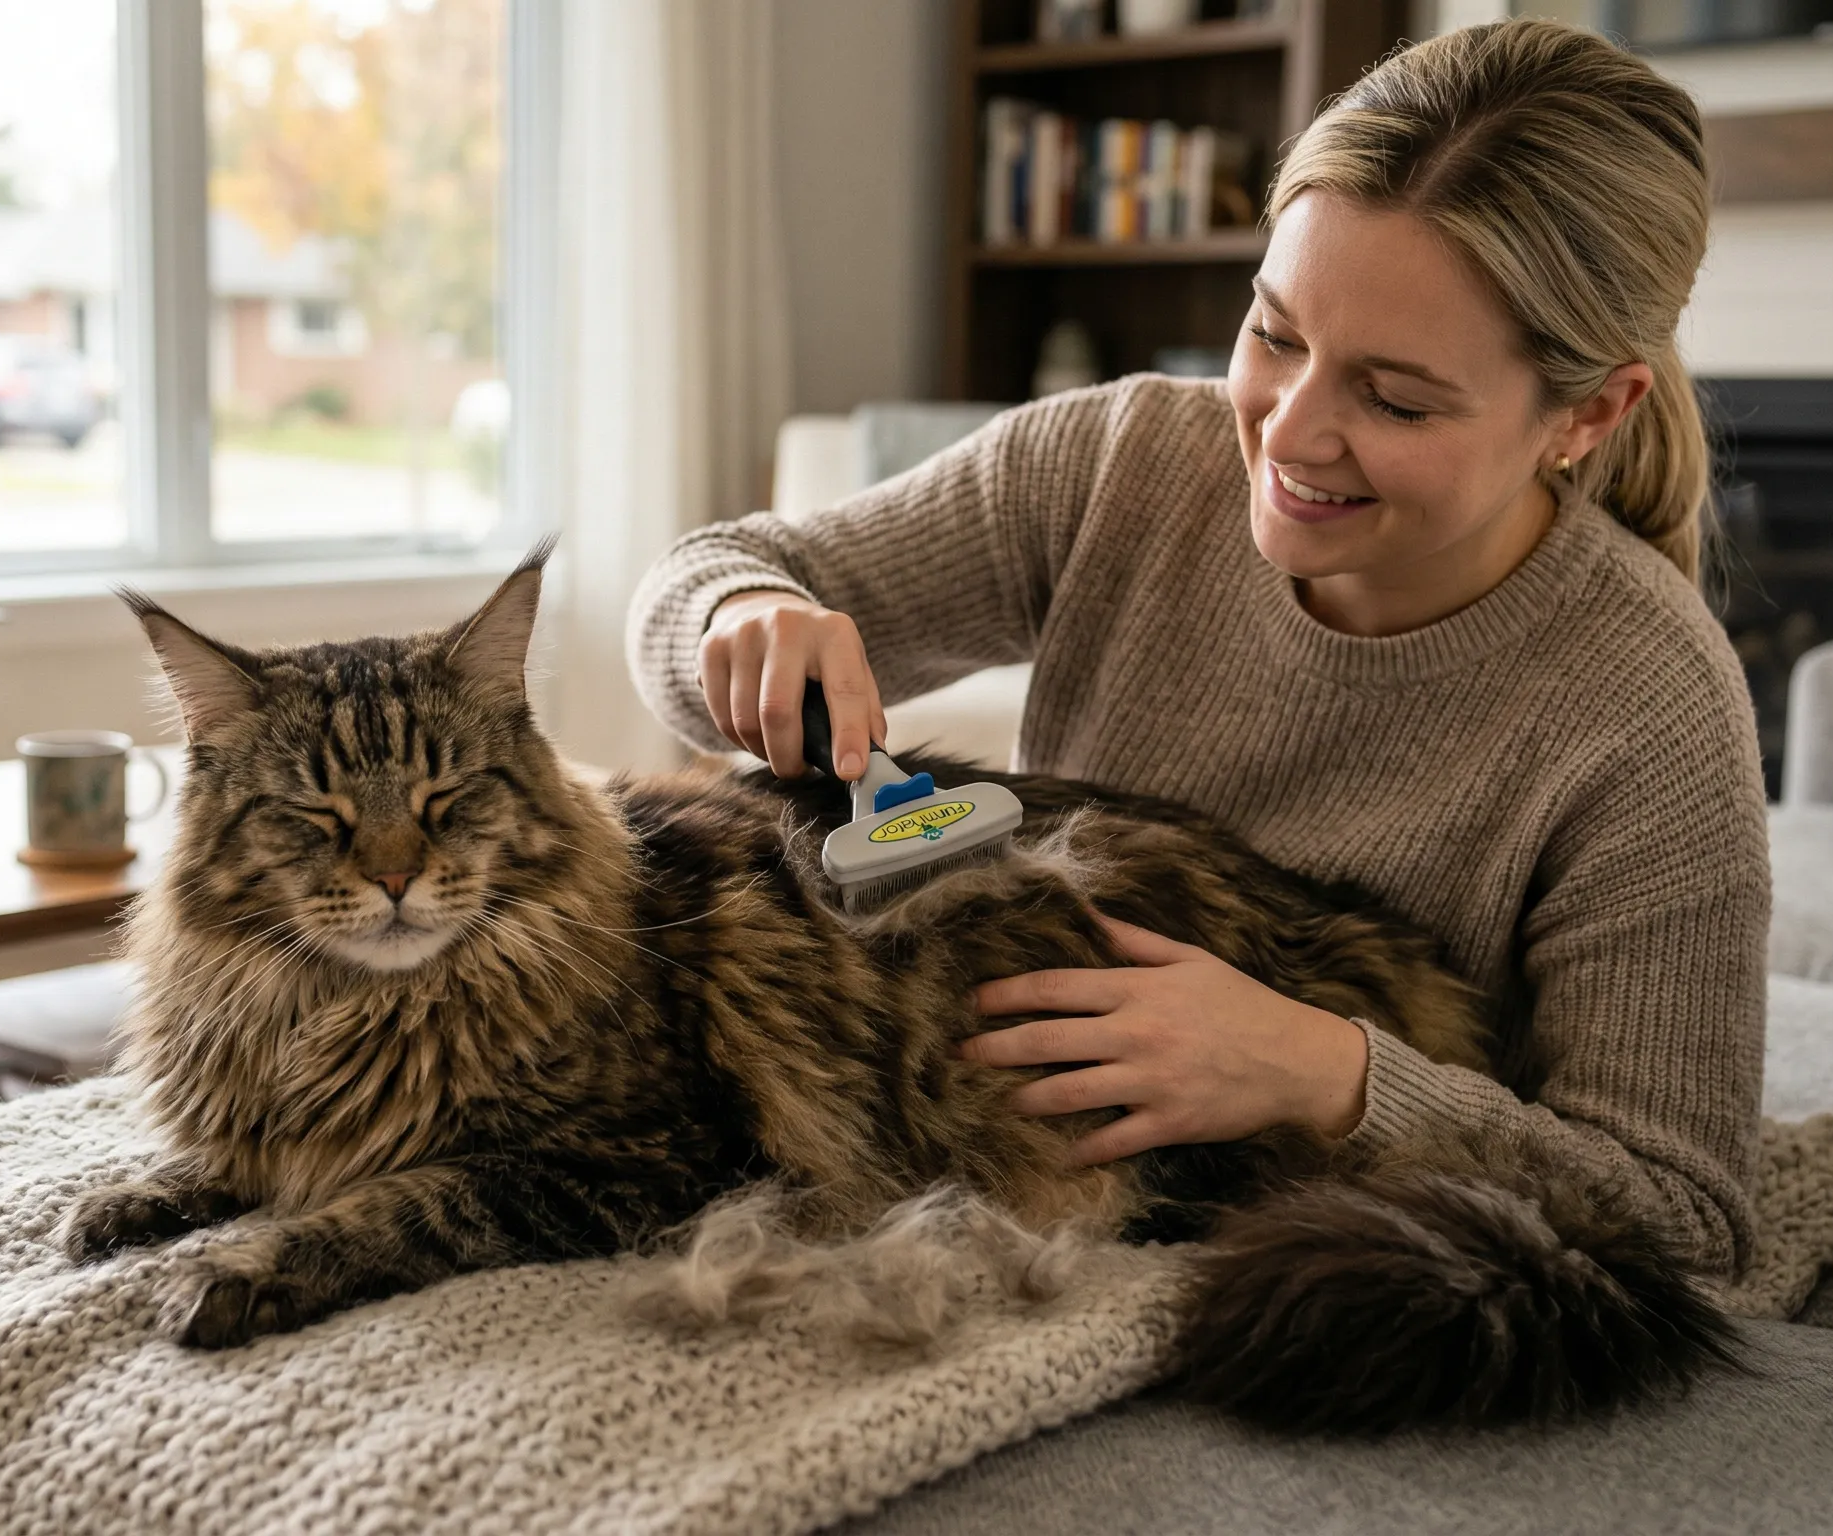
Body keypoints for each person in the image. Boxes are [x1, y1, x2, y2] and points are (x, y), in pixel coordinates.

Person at [624, 18, 1764, 1278]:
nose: (1289, 434)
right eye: (1273, 334)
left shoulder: (1651, 706)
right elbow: (701, 579)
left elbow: (1683, 1216)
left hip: (1292, 1240)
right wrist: (742, 616)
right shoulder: (1116, 462)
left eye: (1393, 399)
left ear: (1586, 414)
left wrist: (1324, 1072)